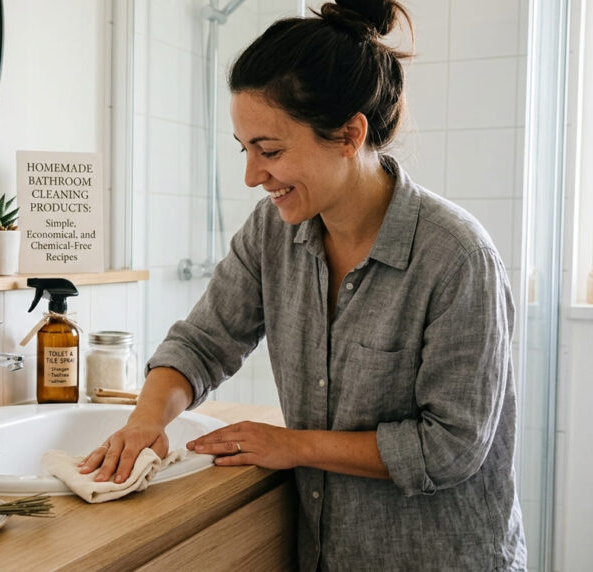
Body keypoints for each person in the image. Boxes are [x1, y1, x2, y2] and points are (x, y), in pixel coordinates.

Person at [78, 1, 527, 569]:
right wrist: (145, 422)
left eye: (270, 151)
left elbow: (451, 448)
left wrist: (290, 445)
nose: (251, 176)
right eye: (245, 150)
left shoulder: (456, 258)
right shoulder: (274, 230)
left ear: (348, 134)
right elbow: (202, 342)